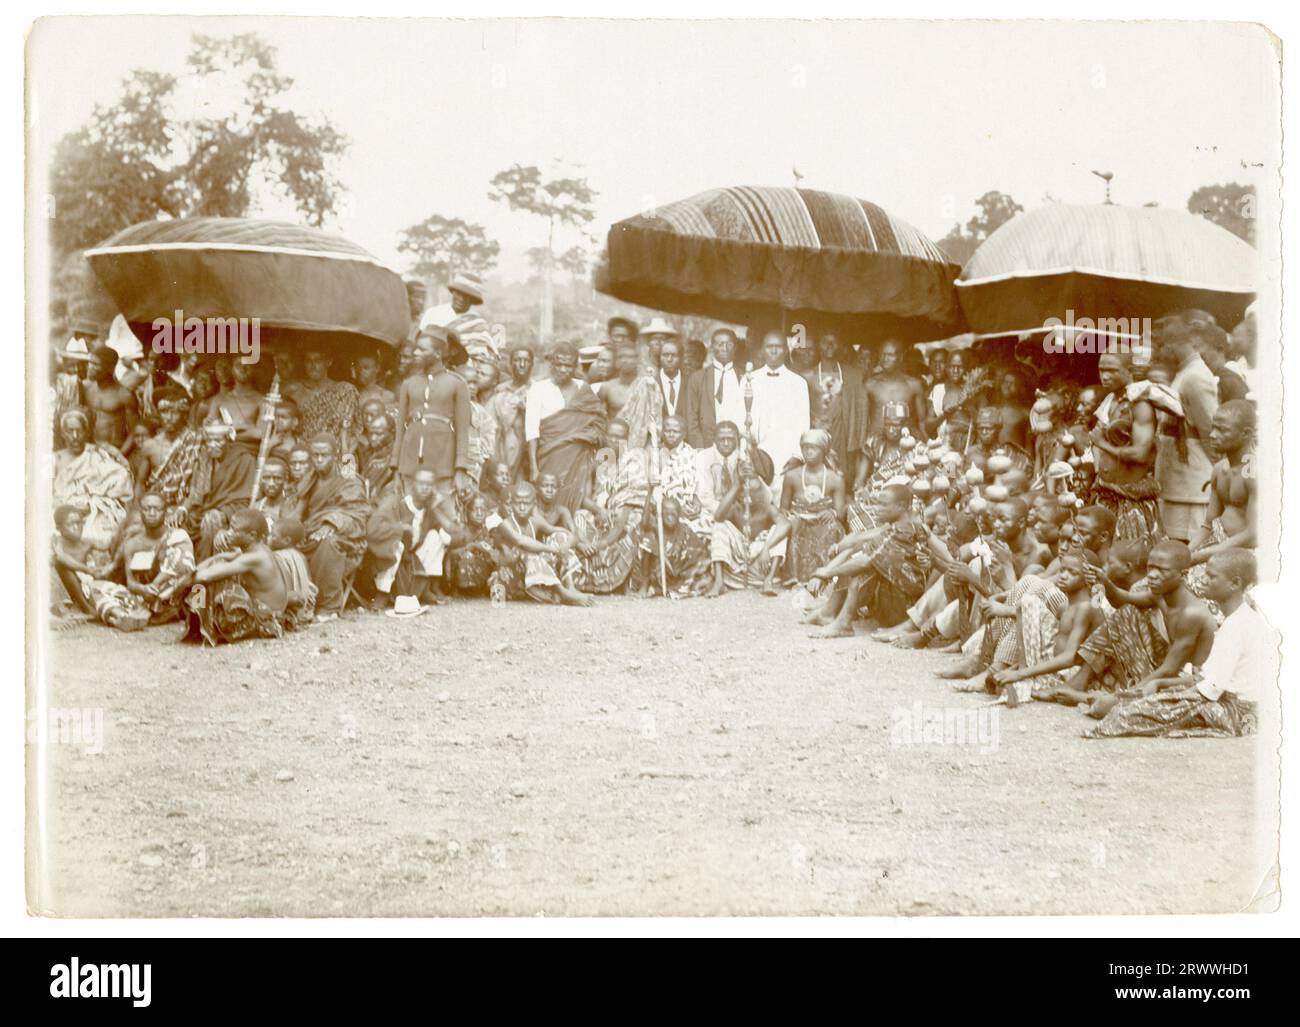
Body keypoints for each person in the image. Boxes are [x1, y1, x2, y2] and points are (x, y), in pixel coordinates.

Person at [1086, 549, 1271, 738]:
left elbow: (1210, 689)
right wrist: (1160, 683)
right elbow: (1207, 681)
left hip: (1236, 713)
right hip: (1229, 703)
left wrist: (1157, 696)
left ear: (1235, 583)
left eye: (1211, 576)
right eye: (1205, 573)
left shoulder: (1236, 626)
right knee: (1139, 703)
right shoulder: (1239, 620)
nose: (1203, 579)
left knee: (1128, 713)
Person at [805, 483, 927, 637]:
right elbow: (859, 541)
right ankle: (829, 613)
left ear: (901, 506)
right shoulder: (900, 526)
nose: (876, 508)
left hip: (906, 610)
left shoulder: (902, 531)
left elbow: (864, 562)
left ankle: (842, 622)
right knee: (861, 557)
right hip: (902, 604)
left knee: (862, 567)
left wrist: (827, 573)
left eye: (883, 505)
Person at [987, 551, 1106, 706]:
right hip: (1052, 666)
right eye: (1062, 570)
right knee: (1028, 603)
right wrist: (1014, 670)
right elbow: (1049, 647)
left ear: (1089, 578)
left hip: (1069, 674)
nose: (1064, 575)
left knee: (1029, 602)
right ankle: (1021, 675)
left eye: (1073, 573)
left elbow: (1069, 658)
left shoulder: (1086, 607)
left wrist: (1019, 674)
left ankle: (1025, 679)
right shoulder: (1065, 606)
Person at [182, 508, 311, 644]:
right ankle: (196, 619)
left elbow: (203, 577)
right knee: (211, 571)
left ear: (251, 535)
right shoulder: (256, 550)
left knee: (207, 582)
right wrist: (195, 571)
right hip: (265, 612)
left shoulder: (256, 557)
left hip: (265, 620)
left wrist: (179, 584)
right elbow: (220, 558)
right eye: (229, 528)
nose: (229, 534)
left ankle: (198, 622)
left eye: (234, 530)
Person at [1152, 311, 1221, 542]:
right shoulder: (1184, 374)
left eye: (1160, 346)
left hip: (1192, 488)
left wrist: (1218, 477)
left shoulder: (1196, 377)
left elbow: (1212, 433)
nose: (1158, 353)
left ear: (1172, 345)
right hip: (1178, 485)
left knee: (1187, 549)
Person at [1088, 350, 1161, 541]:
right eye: (1101, 370)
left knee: (1131, 556)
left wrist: (1102, 444)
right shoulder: (1109, 401)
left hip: (1131, 500)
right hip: (1106, 493)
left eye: (1112, 370)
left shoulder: (1140, 404)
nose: (1105, 376)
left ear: (1129, 370)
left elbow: (1140, 454)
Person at [391, 326, 473, 495]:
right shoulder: (409, 384)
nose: (416, 353)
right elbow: (400, 429)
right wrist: (396, 469)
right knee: (410, 515)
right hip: (410, 463)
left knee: (442, 516)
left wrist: (460, 469)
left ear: (437, 354)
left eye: (422, 350)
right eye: (416, 349)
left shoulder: (457, 384)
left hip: (443, 464)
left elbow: (463, 431)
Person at [297, 433, 371, 620]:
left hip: (347, 539)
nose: (319, 460)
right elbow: (298, 511)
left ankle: (328, 608)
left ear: (336, 455)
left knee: (328, 542)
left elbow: (359, 514)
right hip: (310, 533)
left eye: (325, 455)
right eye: (315, 455)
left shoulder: (348, 478)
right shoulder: (309, 479)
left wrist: (331, 523)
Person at [526, 341, 606, 509]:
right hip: (549, 456)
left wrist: (587, 436)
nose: (563, 369)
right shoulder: (538, 389)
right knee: (549, 500)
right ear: (552, 364)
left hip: (579, 458)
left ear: (575, 366)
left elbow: (598, 421)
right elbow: (532, 431)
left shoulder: (583, 388)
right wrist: (534, 467)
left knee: (577, 499)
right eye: (559, 364)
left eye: (568, 365)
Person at [363, 468, 460, 608]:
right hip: (385, 559)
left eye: (429, 484)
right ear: (412, 485)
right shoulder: (394, 503)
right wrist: (399, 528)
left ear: (434, 487)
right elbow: (371, 530)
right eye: (421, 483)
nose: (425, 488)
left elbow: (455, 533)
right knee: (397, 544)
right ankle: (382, 593)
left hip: (411, 560)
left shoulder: (430, 508)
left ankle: (426, 588)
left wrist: (437, 509)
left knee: (436, 537)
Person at [1188, 400, 1256, 588]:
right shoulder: (1219, 469)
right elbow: (1207, 525)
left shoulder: (1255, 472)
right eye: (1213, 428)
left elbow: (1253, 534)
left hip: (1244, 556)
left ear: (1246, 434)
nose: (1212, 435)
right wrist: (1185, 554)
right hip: (1217, 548)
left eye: (1222, 430)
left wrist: (1206, 555)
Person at [491, 481, 592, 606]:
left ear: (533, 504)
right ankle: (563, 593)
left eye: (526, 504)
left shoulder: (535, 521)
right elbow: (521, 541)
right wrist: (554, 550)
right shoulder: (505, 524)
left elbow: (567, 533)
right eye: (518, 503)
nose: (522, 508)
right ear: (511, 504)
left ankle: (569, 586)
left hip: (533, 577)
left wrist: (565, 546)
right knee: (526, 551)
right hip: (513, 578)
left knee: (559, 537)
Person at [704, 451, 785, 597]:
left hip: (759, 558)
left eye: (753, 491)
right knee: (720, 526)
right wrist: (737, 485)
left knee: (778, 531)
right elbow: (718, 516)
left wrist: (767, 548)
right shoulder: (736, 507)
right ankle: (719, 582)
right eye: (743, 492)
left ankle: (769, 580)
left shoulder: (766, 507)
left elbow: (785, 524)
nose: (747, 495)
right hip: (740, 556)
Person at [174, 421, 259, 557]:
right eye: (209, 441)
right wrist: (182, 509)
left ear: (228, 440)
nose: (213, 445)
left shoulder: (244, 459)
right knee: (172, 521)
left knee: (211, 520)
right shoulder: (204, 458)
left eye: (218, 440)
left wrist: (223, 513)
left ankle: (206, 566)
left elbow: (245, 498)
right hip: (201, 510)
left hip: (230, 512)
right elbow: (196, 491)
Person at [53, 408, 134, 550]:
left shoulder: (98, 455)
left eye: (79, 431)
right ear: (62, 434)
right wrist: (65, 508)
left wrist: (92, 503)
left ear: (87, 432)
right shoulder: (54, 460)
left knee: (97, 535)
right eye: (70, 431)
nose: (75, 436)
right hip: (61, 511)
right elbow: (42, 492)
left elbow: (121, 479)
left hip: (96, 511)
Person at [775, 428, 845, 584]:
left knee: (833, 527)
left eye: (813, 448)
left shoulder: (835, 478)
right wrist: (788, 514)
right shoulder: (792, 476)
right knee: (794, 525)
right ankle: (794, 576)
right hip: (800, 519)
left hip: (822, 521)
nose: (808, 452)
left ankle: (825, 574)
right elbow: (783, 508)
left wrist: (832, 512)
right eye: (805, 448)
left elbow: (840, 511)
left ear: (823, 450)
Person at [118, 490, 197, 624]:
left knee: (195, 582)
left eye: (157, 509)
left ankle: (164, 611)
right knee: (101, 588)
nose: (152, 513)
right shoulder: (132, 544)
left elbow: (185, 569)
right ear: (140, 511)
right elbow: (130, 583)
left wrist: (155, 586)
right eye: (147, 509)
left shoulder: (178, 536)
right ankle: (134, 614)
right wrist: (144, 589)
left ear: (165, 512)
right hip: (144, 597)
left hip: (172, 596)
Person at [803, 332, 870, 478]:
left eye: (834, 341)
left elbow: (860, 407)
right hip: (818, 431)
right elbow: (802, 408)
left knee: (842, 474)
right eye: (825, 341)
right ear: (818, 346)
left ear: (839, 346)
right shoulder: (808, 375)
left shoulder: (853, 373)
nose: (829, 345)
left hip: (843, 432)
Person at [749, 330, 811, 479]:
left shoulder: (798, 383)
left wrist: (798, 455)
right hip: (756, 455)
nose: (774, 350)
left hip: (786, 455)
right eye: (769, 346)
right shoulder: (750, 379)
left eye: (779, 346)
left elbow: (803, 424)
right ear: (763, 350)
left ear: (786, 350)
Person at [135, 386, 203, 513]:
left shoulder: (195, 442)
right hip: (154, 506)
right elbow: (140, 483)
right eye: (165, 412)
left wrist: (182, 509)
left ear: (184, 415)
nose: (169, 417)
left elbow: (196, 487)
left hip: (183, 507)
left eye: (175, 412)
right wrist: (140, 506)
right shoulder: (150, 445)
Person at [630, 495, 713, 598]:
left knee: (703, 578)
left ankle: (659, 591)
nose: (670, 518)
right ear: (661, 515)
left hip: (678, 575)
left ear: (679, 515)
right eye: (667, 514)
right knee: (647, 539)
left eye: (673, 515)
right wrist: (650, 490)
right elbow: (644, 522)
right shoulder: (657, 529)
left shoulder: (685, 531)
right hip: (658, 573)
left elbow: (699, 552)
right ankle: (645, 585)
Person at [683, 328, 747, 450]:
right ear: (712, 348)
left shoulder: (744, 377)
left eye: (730, 344)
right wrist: (700, 448)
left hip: (736, 446)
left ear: (735, 348)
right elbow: (692, 418)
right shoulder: (698, 378)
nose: (725, 348)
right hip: (705, 447)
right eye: (720, 344)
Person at [295, 347, 361, 453]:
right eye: (308, 361)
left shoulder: (345, 391)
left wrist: (344, 455)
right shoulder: (296, 392)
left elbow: (352, 430)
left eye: (318, 360)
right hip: (306, 454)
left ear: (328, 362)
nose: (313, 366)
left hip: (338, 453)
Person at [488, 344, 535, 480]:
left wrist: (527, 410)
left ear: (532, 364)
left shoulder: (538, 390)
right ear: (510, 363)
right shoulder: (500, 391)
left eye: (526, 361)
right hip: (504, 452)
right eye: (517, 360)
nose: (521, 364)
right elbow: (491, 425)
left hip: (530, 453)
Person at [82, 345, 138, 453]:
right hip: (89, 450)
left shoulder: (124, 395)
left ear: (110, 368)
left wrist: (120, 455)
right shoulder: (86, 388)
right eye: (90, 362)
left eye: (96, 364)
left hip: (114, 450)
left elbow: (135, 431)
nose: (90, 367)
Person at [864, 339, 925, 438]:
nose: (885, 358)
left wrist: (926, 445)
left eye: (890, 355)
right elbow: (862, 422)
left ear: (900, 357)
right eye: (882, 354)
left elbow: (922, 423)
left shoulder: (913, 385)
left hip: (906, 443)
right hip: (876, 444)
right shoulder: (870, 385)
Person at [206, 357, 264, 449]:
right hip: (221, 452)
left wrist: (224, 432)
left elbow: (260, 433)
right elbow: (210, 430)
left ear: (254, 369)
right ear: (232, 370)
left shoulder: (261, 400)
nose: (243, 368)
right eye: (238, 365)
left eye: (248, 365)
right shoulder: (219, 400)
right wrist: (241, 427)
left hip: (249, 452)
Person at [252, 454, 300, 532]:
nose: (271, 484)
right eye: (266, 478)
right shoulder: (256, 508)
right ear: (260, 479)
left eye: (277, 478)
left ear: (285, 479)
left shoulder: (293, 507)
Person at [657, 338, 687, 421]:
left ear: (681, 358)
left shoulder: (690, 383)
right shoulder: (651, 383)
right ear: (659, 357)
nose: (669, 359)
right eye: (665, 355)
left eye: (674, 355)